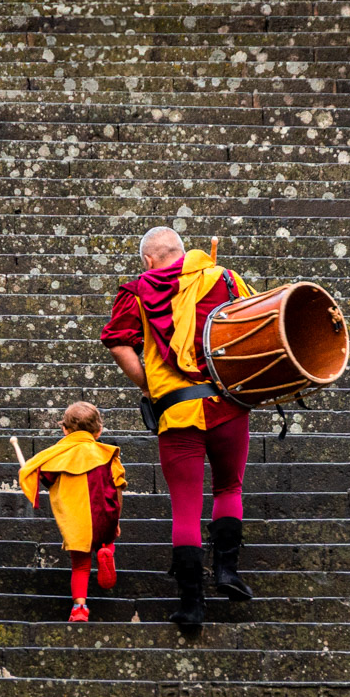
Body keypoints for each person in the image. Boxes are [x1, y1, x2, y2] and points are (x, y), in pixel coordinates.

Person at [101, 226, 256, 632]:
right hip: (229, 405)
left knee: (185, 506)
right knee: (228, 488)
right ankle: (228, 572)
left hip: (176, 413)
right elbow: (255, 328)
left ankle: (192, 604)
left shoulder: (137, 291)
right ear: (184, 253)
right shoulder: (224, 278)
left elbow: (118, 341)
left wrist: (153, 387)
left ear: (149, 260)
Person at [19, 401, 124, 623]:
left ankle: (79, 608)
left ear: (65, 430)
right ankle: (106, 551)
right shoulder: (107, 454)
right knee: (106, 535)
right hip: (104, 515)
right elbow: (118, 488)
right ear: (99, 431)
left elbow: (44, 478)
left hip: (77, 524)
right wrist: (116, 520)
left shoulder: (56, 456)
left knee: (80, 565)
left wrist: (27, 471)